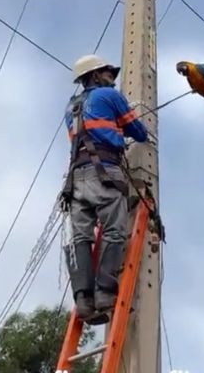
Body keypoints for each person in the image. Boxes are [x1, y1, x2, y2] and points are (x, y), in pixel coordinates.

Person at [61, 54, 148, 324]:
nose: (113, 78)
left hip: (76, 180)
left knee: (81, 239)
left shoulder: (70, 107)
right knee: (114, 230)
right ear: (95, 75)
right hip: (104, 172)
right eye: (108, 73)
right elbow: (140, 132)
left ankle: (83, 300)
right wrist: (125, 123)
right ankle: (105, 293)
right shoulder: (110, 96)